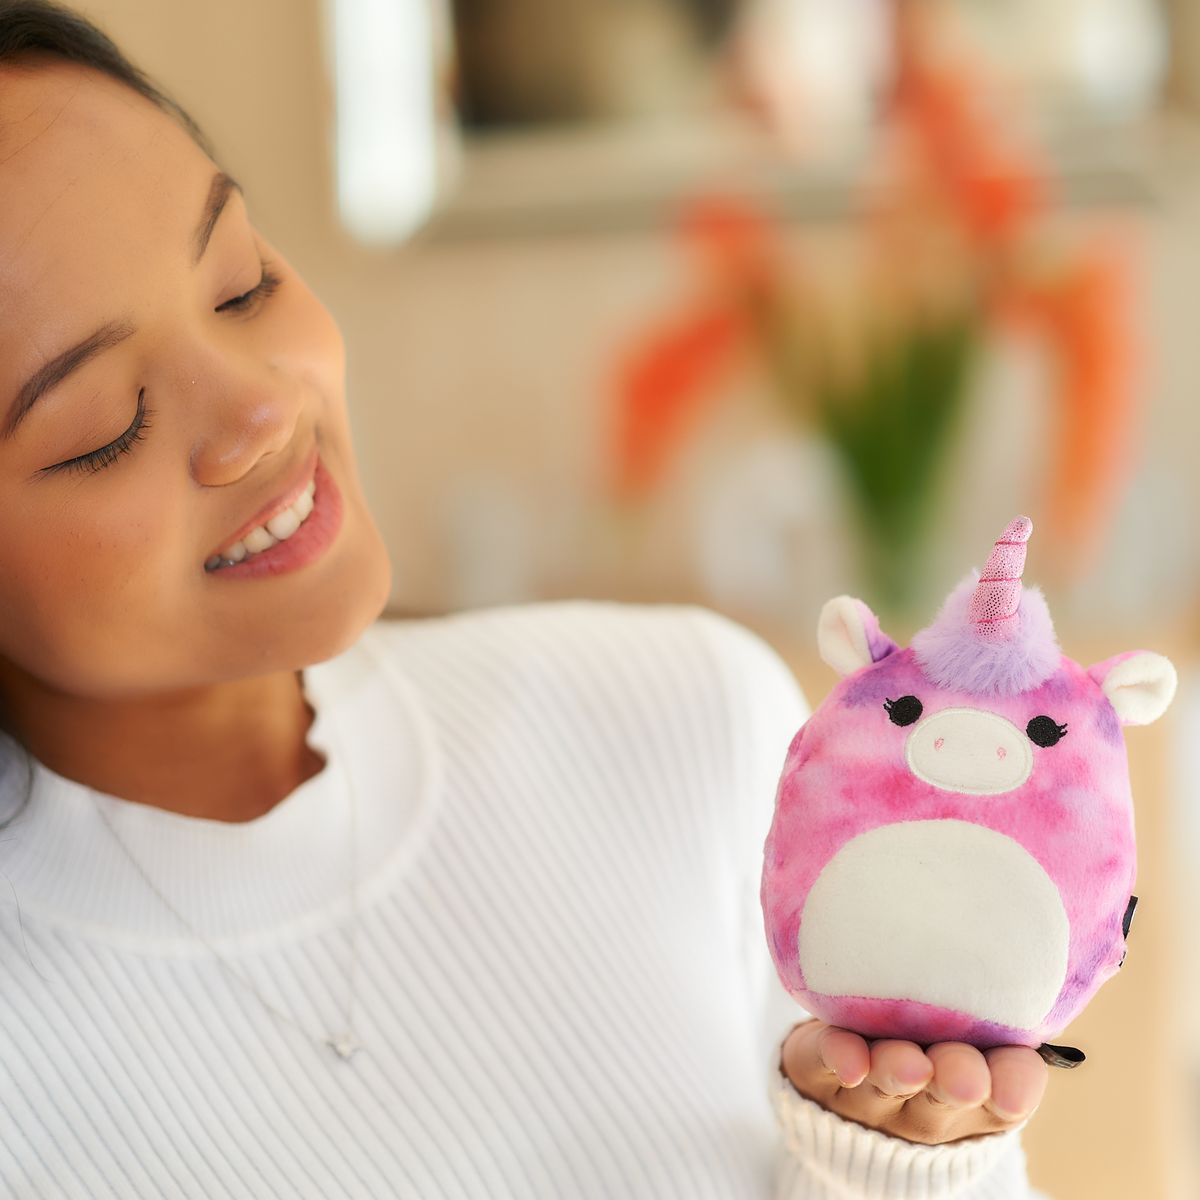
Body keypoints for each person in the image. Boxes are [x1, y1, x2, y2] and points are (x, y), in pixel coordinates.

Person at [0, 2, 1050, 1196]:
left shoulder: (683, 724)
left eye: (241, 285)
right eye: (103, 428)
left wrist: (902, 1162)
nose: (261, 409)